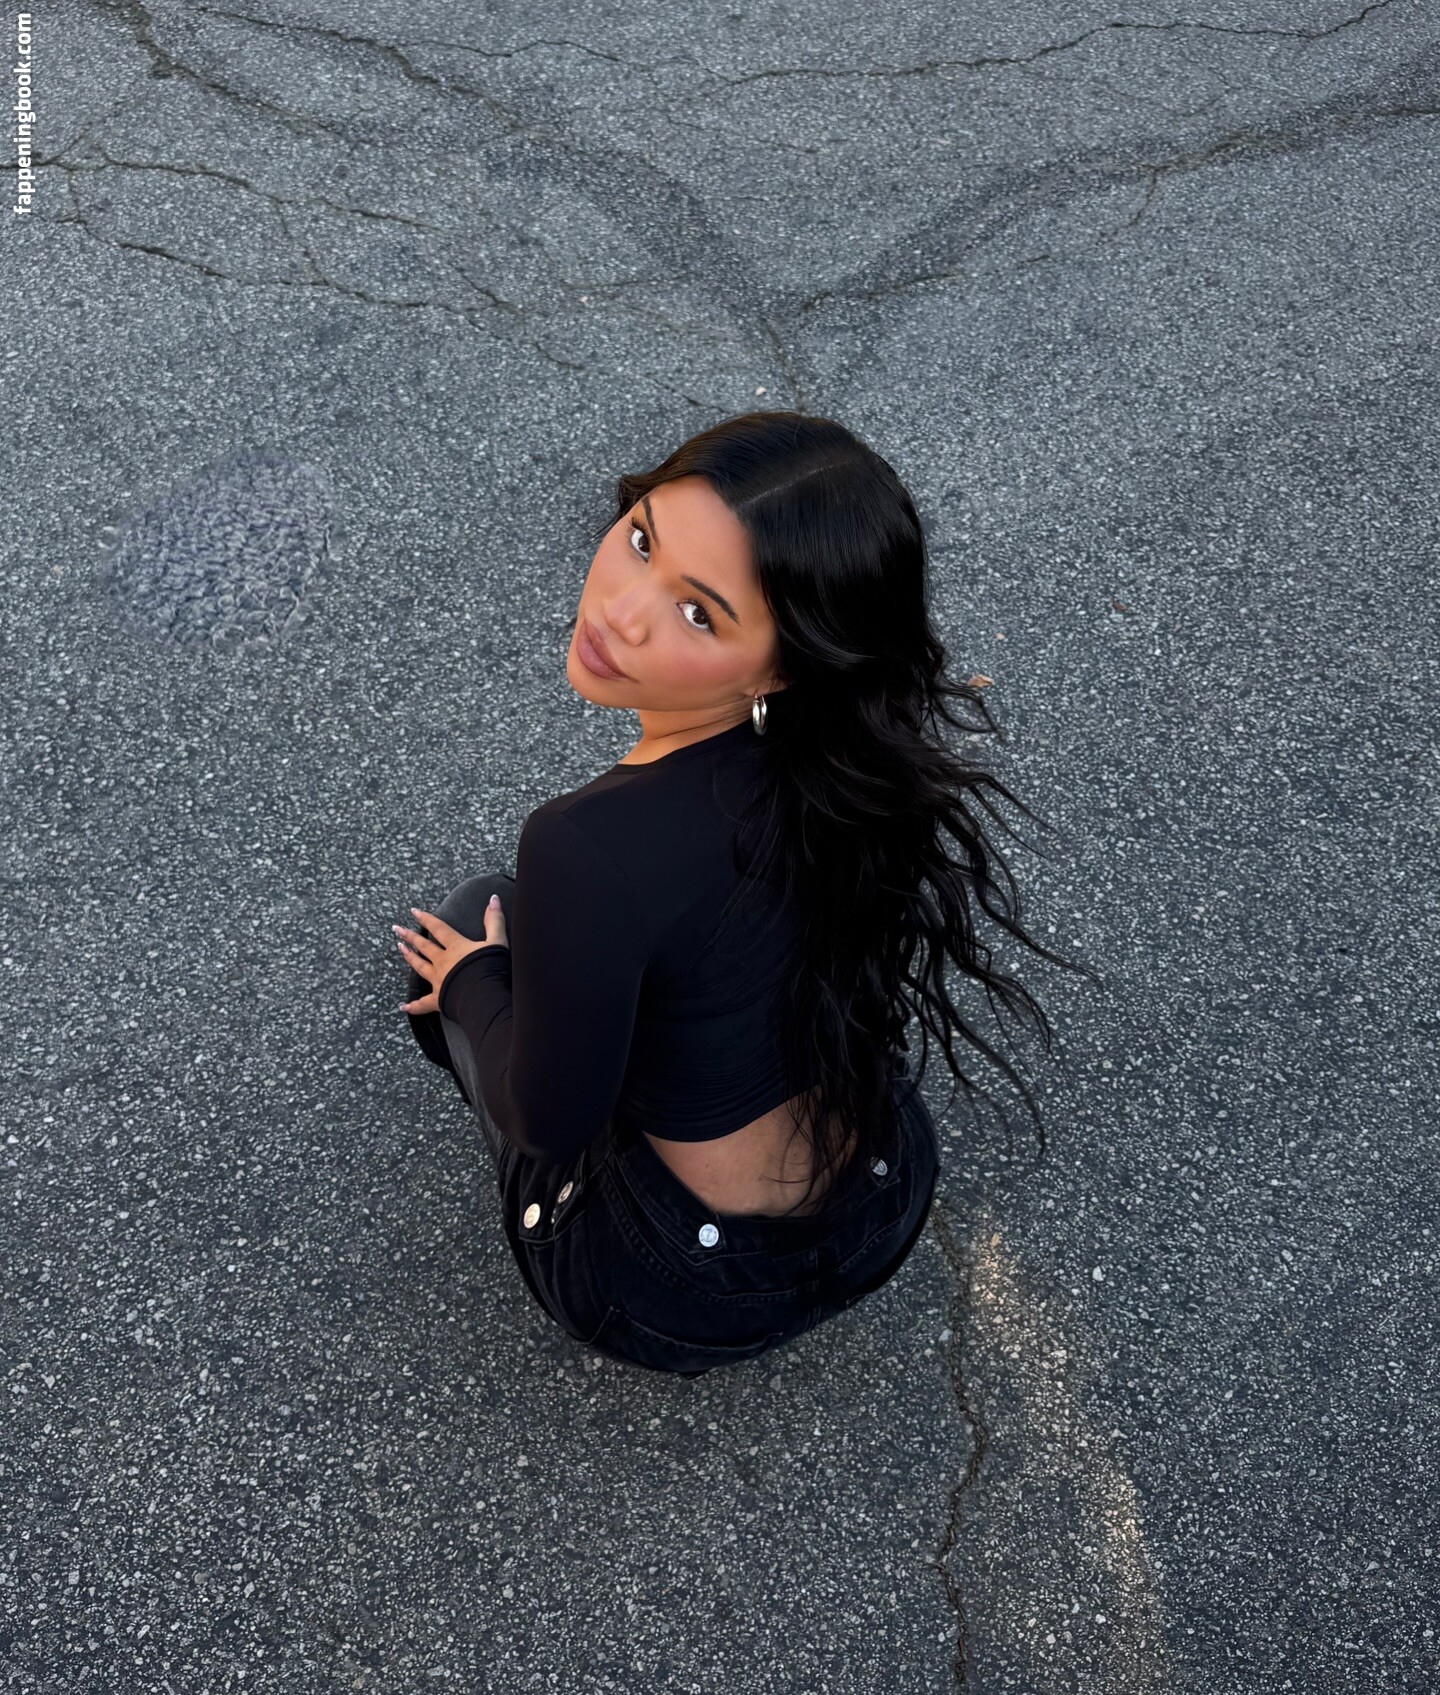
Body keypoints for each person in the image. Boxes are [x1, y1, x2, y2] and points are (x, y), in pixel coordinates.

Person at [397, 411, 1094, 1378]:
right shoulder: (856, 769)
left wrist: (475, 982)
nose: (622, 611)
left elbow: (547, 1119)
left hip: (678, 1284)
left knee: (475, 916)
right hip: (882, 1200)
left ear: (786, 664)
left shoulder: (584, 846)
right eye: (643, 541)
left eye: (700, 613)